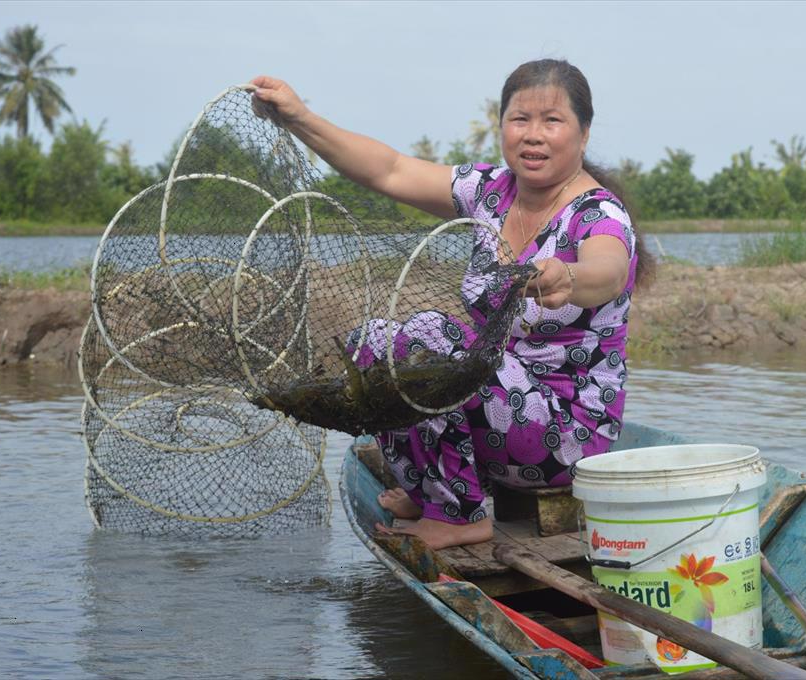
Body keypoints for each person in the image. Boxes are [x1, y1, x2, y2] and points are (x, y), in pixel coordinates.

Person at [252, 58, 650, 549]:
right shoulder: (489, 193)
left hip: (566, 435)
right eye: (520, 119)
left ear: (583, 134)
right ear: (502, 127)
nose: (534, 135)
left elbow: (607, 271)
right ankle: (430, 489)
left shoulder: (599, 214)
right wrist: (298, 118)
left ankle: (459, 514)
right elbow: (390, 170)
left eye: (553, 121)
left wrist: (568, 276)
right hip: (499, 408)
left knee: (431, 335)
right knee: (372, 343)